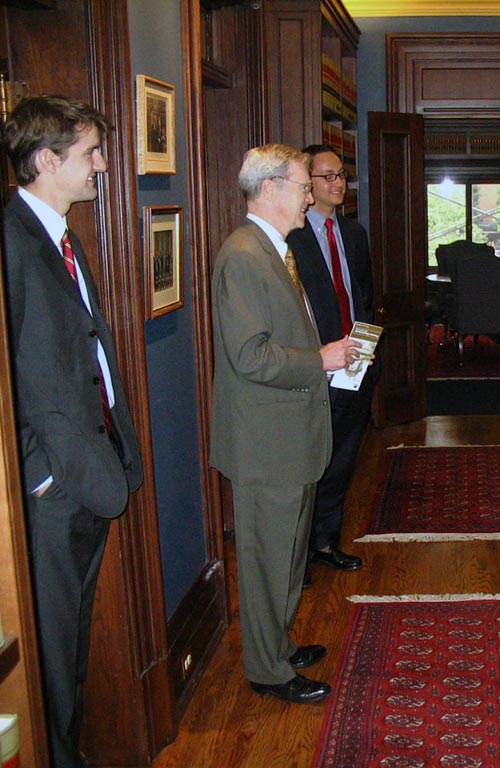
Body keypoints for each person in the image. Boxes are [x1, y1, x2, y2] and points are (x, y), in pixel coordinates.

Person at [1, 95, 143, 767]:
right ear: (45, 160)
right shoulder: (11, 239)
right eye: (91, 153)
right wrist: (40, 473)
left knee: (74, 650)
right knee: (52, 662)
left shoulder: (59, 232)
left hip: (88, 470)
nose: (103, 166)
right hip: (52, 491)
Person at [210, 143, 362, 704]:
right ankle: (268, 669)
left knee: (289, 554)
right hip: (265, 442)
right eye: (302, 186)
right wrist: (320, 359)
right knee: (266, 558)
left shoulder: (275, 248)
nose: (309, 197)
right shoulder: (245, 255)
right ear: (270, 188)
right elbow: (250, 356)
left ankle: (278, 643)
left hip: (289, 436)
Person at [287, 144, 377, 584]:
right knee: (308, 463)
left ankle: (325, 542)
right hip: (314, 365)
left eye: (341, 174)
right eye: (327, 176)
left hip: (355, 364)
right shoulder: (291, 238)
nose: (338, 183)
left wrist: (365, 346)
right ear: (307, 185)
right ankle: (299, 557)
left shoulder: (354, 234)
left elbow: (362, 296)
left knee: (342, 458)